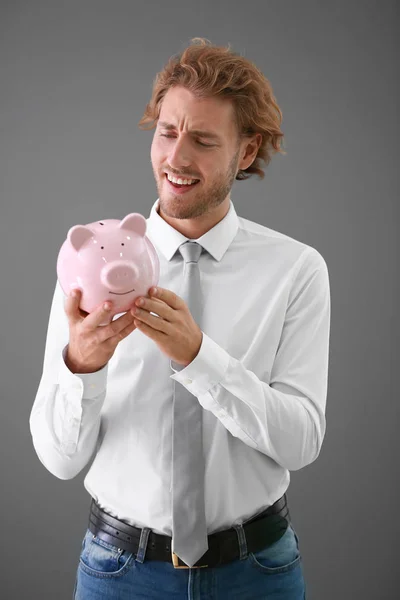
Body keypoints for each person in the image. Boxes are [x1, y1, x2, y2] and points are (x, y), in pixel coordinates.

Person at [30, 37, 330, 599]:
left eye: (203, 140)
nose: (176, 158)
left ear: (246, 151)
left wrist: (199, 358)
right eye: (167, 132)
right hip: (119, 573)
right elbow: (59, 460)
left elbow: (301, 443)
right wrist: (82, 366)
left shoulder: (296, 270)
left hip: (257, 572)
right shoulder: (87, 268)